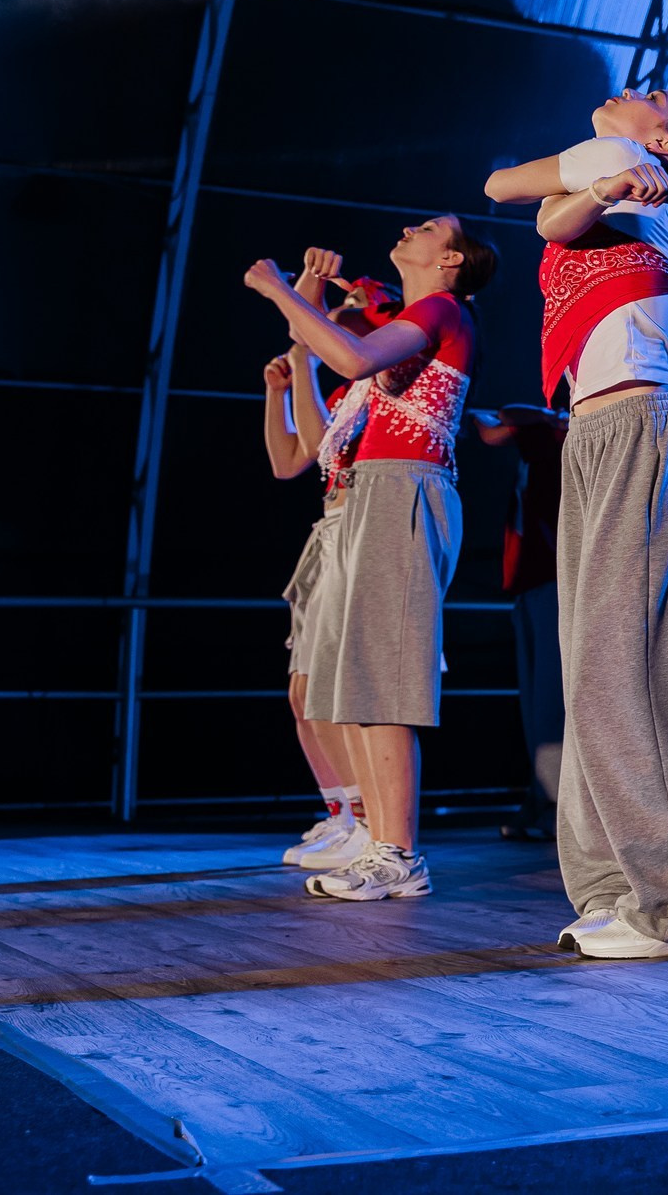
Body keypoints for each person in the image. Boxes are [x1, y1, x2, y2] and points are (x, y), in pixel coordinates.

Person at [483, 86, 668, 959]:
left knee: (638, 666)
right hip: (597, 434)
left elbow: (541, 223)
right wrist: (600, 193)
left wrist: (610, 191)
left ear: (662, 138)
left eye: (659, 98)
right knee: (595, 672)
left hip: (640, 424)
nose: (636, 87)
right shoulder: (608, 166)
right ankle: (621, 886)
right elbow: (506, 187)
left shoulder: (628, 162)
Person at [245, 218, 495, 902]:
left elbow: (348, 358)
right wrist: (301, 304)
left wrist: (276, 288)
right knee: (359, 683)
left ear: (449, 258)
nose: (410, 227)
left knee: (382, 681)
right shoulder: (414, 322)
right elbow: (327, 379)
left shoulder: (442, 309)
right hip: (372, 495)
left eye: (430, 227)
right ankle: (379, 842)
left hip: (403, 490)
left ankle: (398, 852)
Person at [259, 252, 396, 872]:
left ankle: (365, 820)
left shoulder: (385, 376)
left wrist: (304, 334)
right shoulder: (347, 392)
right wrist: (281, 388)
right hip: (333, 525)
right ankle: (343, 812)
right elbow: (291, 461)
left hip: (363, 521)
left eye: (344, 316)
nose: (330, 323)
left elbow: (306, 449)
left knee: (330, 688)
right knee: (302, 691)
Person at [466, 402, 569, 842]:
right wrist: (543, 419)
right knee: (535, 706)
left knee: (551, 704)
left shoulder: (570, 439)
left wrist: (547, 423)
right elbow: (485, 421)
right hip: (528, 582)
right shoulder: (542, 434)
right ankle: (541, 799)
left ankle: (558, 810)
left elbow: (494, 427)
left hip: (559, 582)